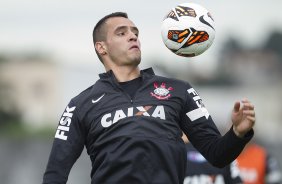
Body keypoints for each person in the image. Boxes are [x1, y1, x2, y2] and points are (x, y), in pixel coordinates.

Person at [42, 12, 256, 184]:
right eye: (121, 33)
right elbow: (55, 174)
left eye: (135, 32)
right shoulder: (80, 104)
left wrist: (237, 133)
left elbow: (218, 155)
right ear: (101, 47)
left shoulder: (179, 90)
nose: (133, 36)